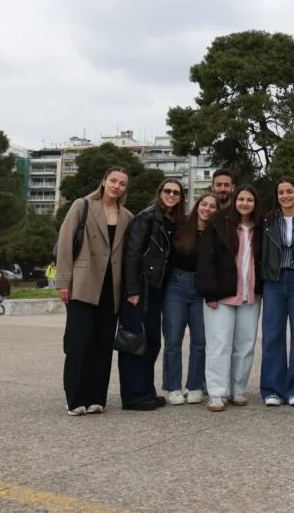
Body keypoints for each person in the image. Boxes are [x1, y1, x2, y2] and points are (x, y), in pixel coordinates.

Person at [56, 168, 134, 416]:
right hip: (83, 284)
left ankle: (96, 397)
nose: (117, 186)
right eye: (113, 181)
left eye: (122, 183)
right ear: (104, 181)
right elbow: (66, 242)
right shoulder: (83, 206)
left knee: (102, 344)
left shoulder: (127, 216)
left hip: (112, 289)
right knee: (79, 343)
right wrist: (63, 282)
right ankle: (75, 398)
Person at [119, 178, 185, 411]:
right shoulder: (146, 218)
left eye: (176, 192)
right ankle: (132, 396)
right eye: (167, 191)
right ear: (159, 193)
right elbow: (132, 255)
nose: (171, 195)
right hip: (141, 288)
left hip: (157, 289)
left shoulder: (170, 221)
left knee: (152, 343)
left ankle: (146, 390)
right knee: (134, 341)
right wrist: (132, 290)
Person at [197, 185, 263, 412]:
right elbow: (206, 259)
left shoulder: (260, 227)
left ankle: (238, 389)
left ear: (255, 204)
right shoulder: (219, 224)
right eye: (241, 199)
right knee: (219, 344)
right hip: (222, 295)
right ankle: (217, 392)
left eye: (250, 200)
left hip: (251, 294)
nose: (245, 203)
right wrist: (210, 291)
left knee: (245, 344)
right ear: (235, 201)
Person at [259, 177, 294, 407]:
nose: (285, 196)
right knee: (272, 336)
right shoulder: (268, 219)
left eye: (289, 191)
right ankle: (273, 389)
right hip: (273, 281)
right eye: (281, 192)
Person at [163, 192, 218, 405]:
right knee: (173, 339)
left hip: (201, 289)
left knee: (200, 341)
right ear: (198, 205)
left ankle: (195, 385)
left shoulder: (216, 231)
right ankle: (173, 386)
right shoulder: (181, 225)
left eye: (212, 206)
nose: (207, 209)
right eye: (204, 204)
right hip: (177, 286)